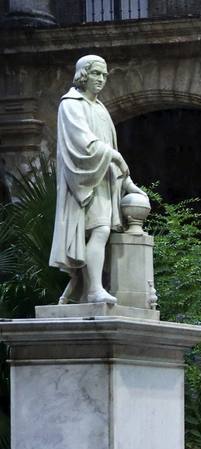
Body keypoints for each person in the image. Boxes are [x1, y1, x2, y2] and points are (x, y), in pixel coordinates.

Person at [52, 55, 132, 305]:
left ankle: (77, 289)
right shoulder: (71, 104)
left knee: (98, 233)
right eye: (96, 73)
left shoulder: (100, 108)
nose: (100, 79)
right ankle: (94, 289)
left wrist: (126, 182)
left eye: (104, 75)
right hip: (83, 180)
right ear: (83, 74)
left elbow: (106, 146)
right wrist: (115, 157)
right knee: (99, 231)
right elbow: (82, 142)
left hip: (103, 181)